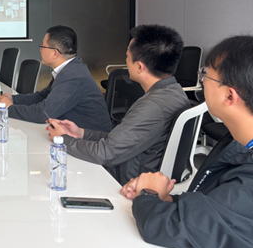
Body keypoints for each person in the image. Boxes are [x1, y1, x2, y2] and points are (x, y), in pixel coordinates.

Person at [120, 36, 253, 248]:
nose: (202, 81)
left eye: (206, 75)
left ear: (230, 96)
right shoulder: (237, 141)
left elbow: (166, 228)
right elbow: (217, 207)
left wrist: (148, 194)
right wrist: (166, 197)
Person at [47, 24, 189, 185]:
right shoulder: (174, 92)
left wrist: (62, 139)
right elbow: (121, 140)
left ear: (140, 66)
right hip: (136, 172)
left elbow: (105, 154)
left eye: (127, 56)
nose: (125, 60)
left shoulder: (153, 106)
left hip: (125, 182)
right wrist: (81, 133)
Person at [0, 25, 112, 132]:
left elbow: (43, 114)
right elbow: (43, 96)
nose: (40, 49)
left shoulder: (72, 76)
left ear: (55, 53)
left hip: (92, 141)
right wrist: (14, 99)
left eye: (42, 46)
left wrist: (9, 108)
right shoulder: (69, 69)